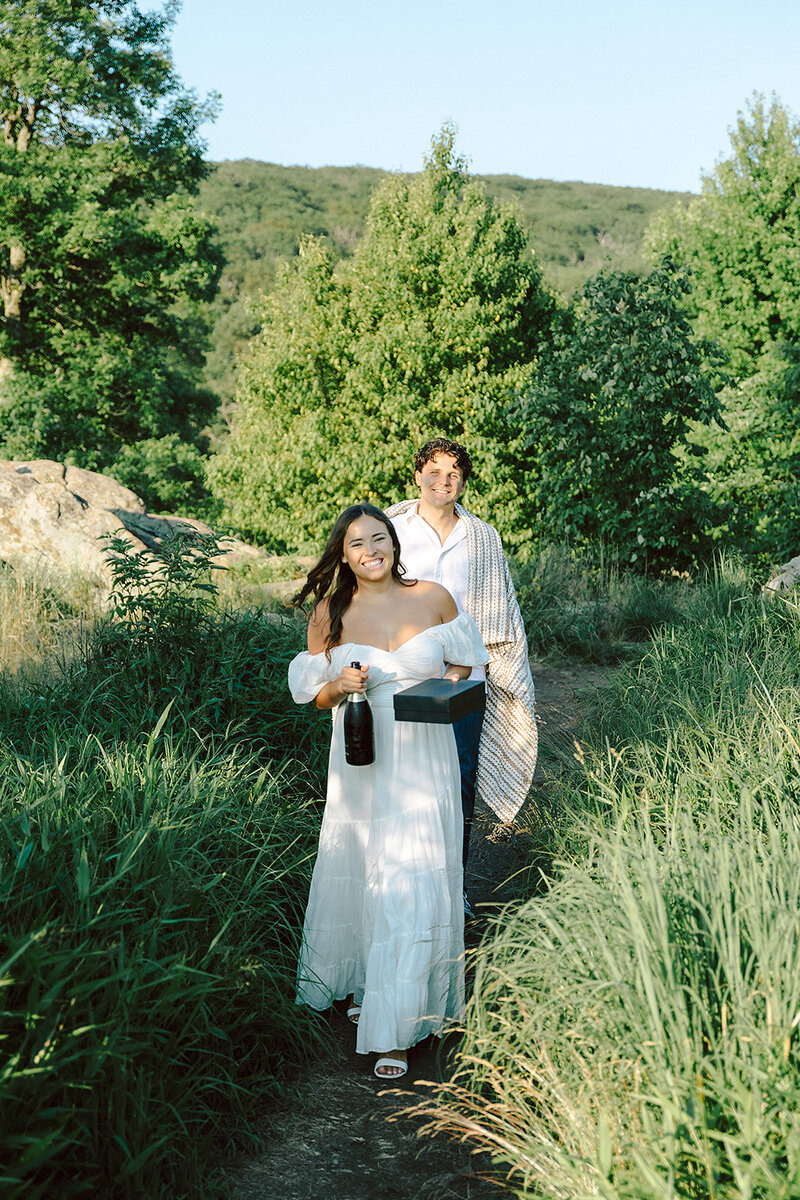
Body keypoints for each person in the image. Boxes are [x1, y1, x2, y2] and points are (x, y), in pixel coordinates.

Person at [287, 503, 488, 1080]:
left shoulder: (435, 598)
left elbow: (465, 668)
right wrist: (339, 683)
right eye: (357, 543)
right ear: (343, 555)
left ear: (394, 544)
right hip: (360, 760)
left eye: (380, 538)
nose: (371, 550)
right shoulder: (332, 612)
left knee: (411, 872)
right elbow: (315, 698)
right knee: (367, 866)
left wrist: (442, 682)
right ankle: (368, 986)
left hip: (423, 761)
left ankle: (398, 1027)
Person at [385, 438, 537, 911]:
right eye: (434, 469)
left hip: (464, 674)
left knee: (459, 776)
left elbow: (501, 610)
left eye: (454, 472)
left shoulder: (482, 537)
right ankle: (400, 882)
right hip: (402, 671)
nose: (443, 479)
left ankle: (454, 887)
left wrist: (486, 668)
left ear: (464, 481)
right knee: (400, 776)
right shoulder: (390, 528)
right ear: (418, 476)